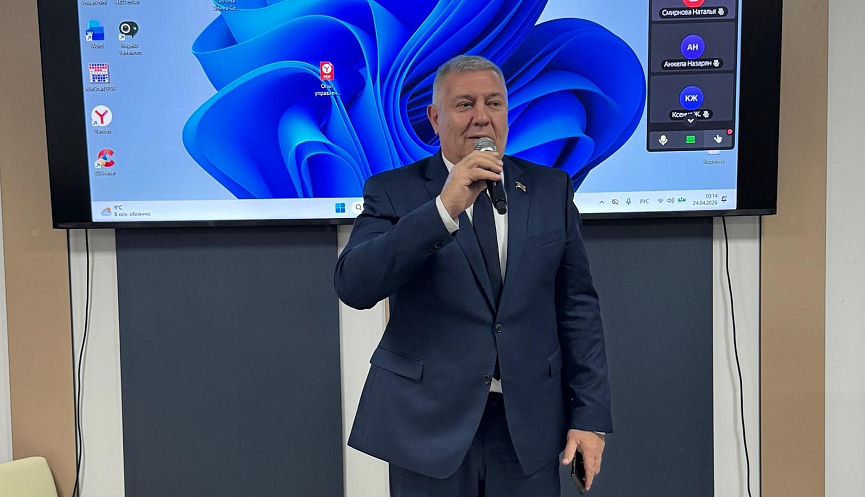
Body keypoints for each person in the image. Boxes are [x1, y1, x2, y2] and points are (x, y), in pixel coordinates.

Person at [334, 55, 611, 496]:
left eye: (494, 103)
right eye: (465, 104)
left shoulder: (550, 189)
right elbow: (355, 285)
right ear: (434, 118)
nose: (482, 117)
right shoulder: (392, 190)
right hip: (428, 427)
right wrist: (442, 209)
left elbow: (578, 308)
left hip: (529, 427)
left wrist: (589, 417)